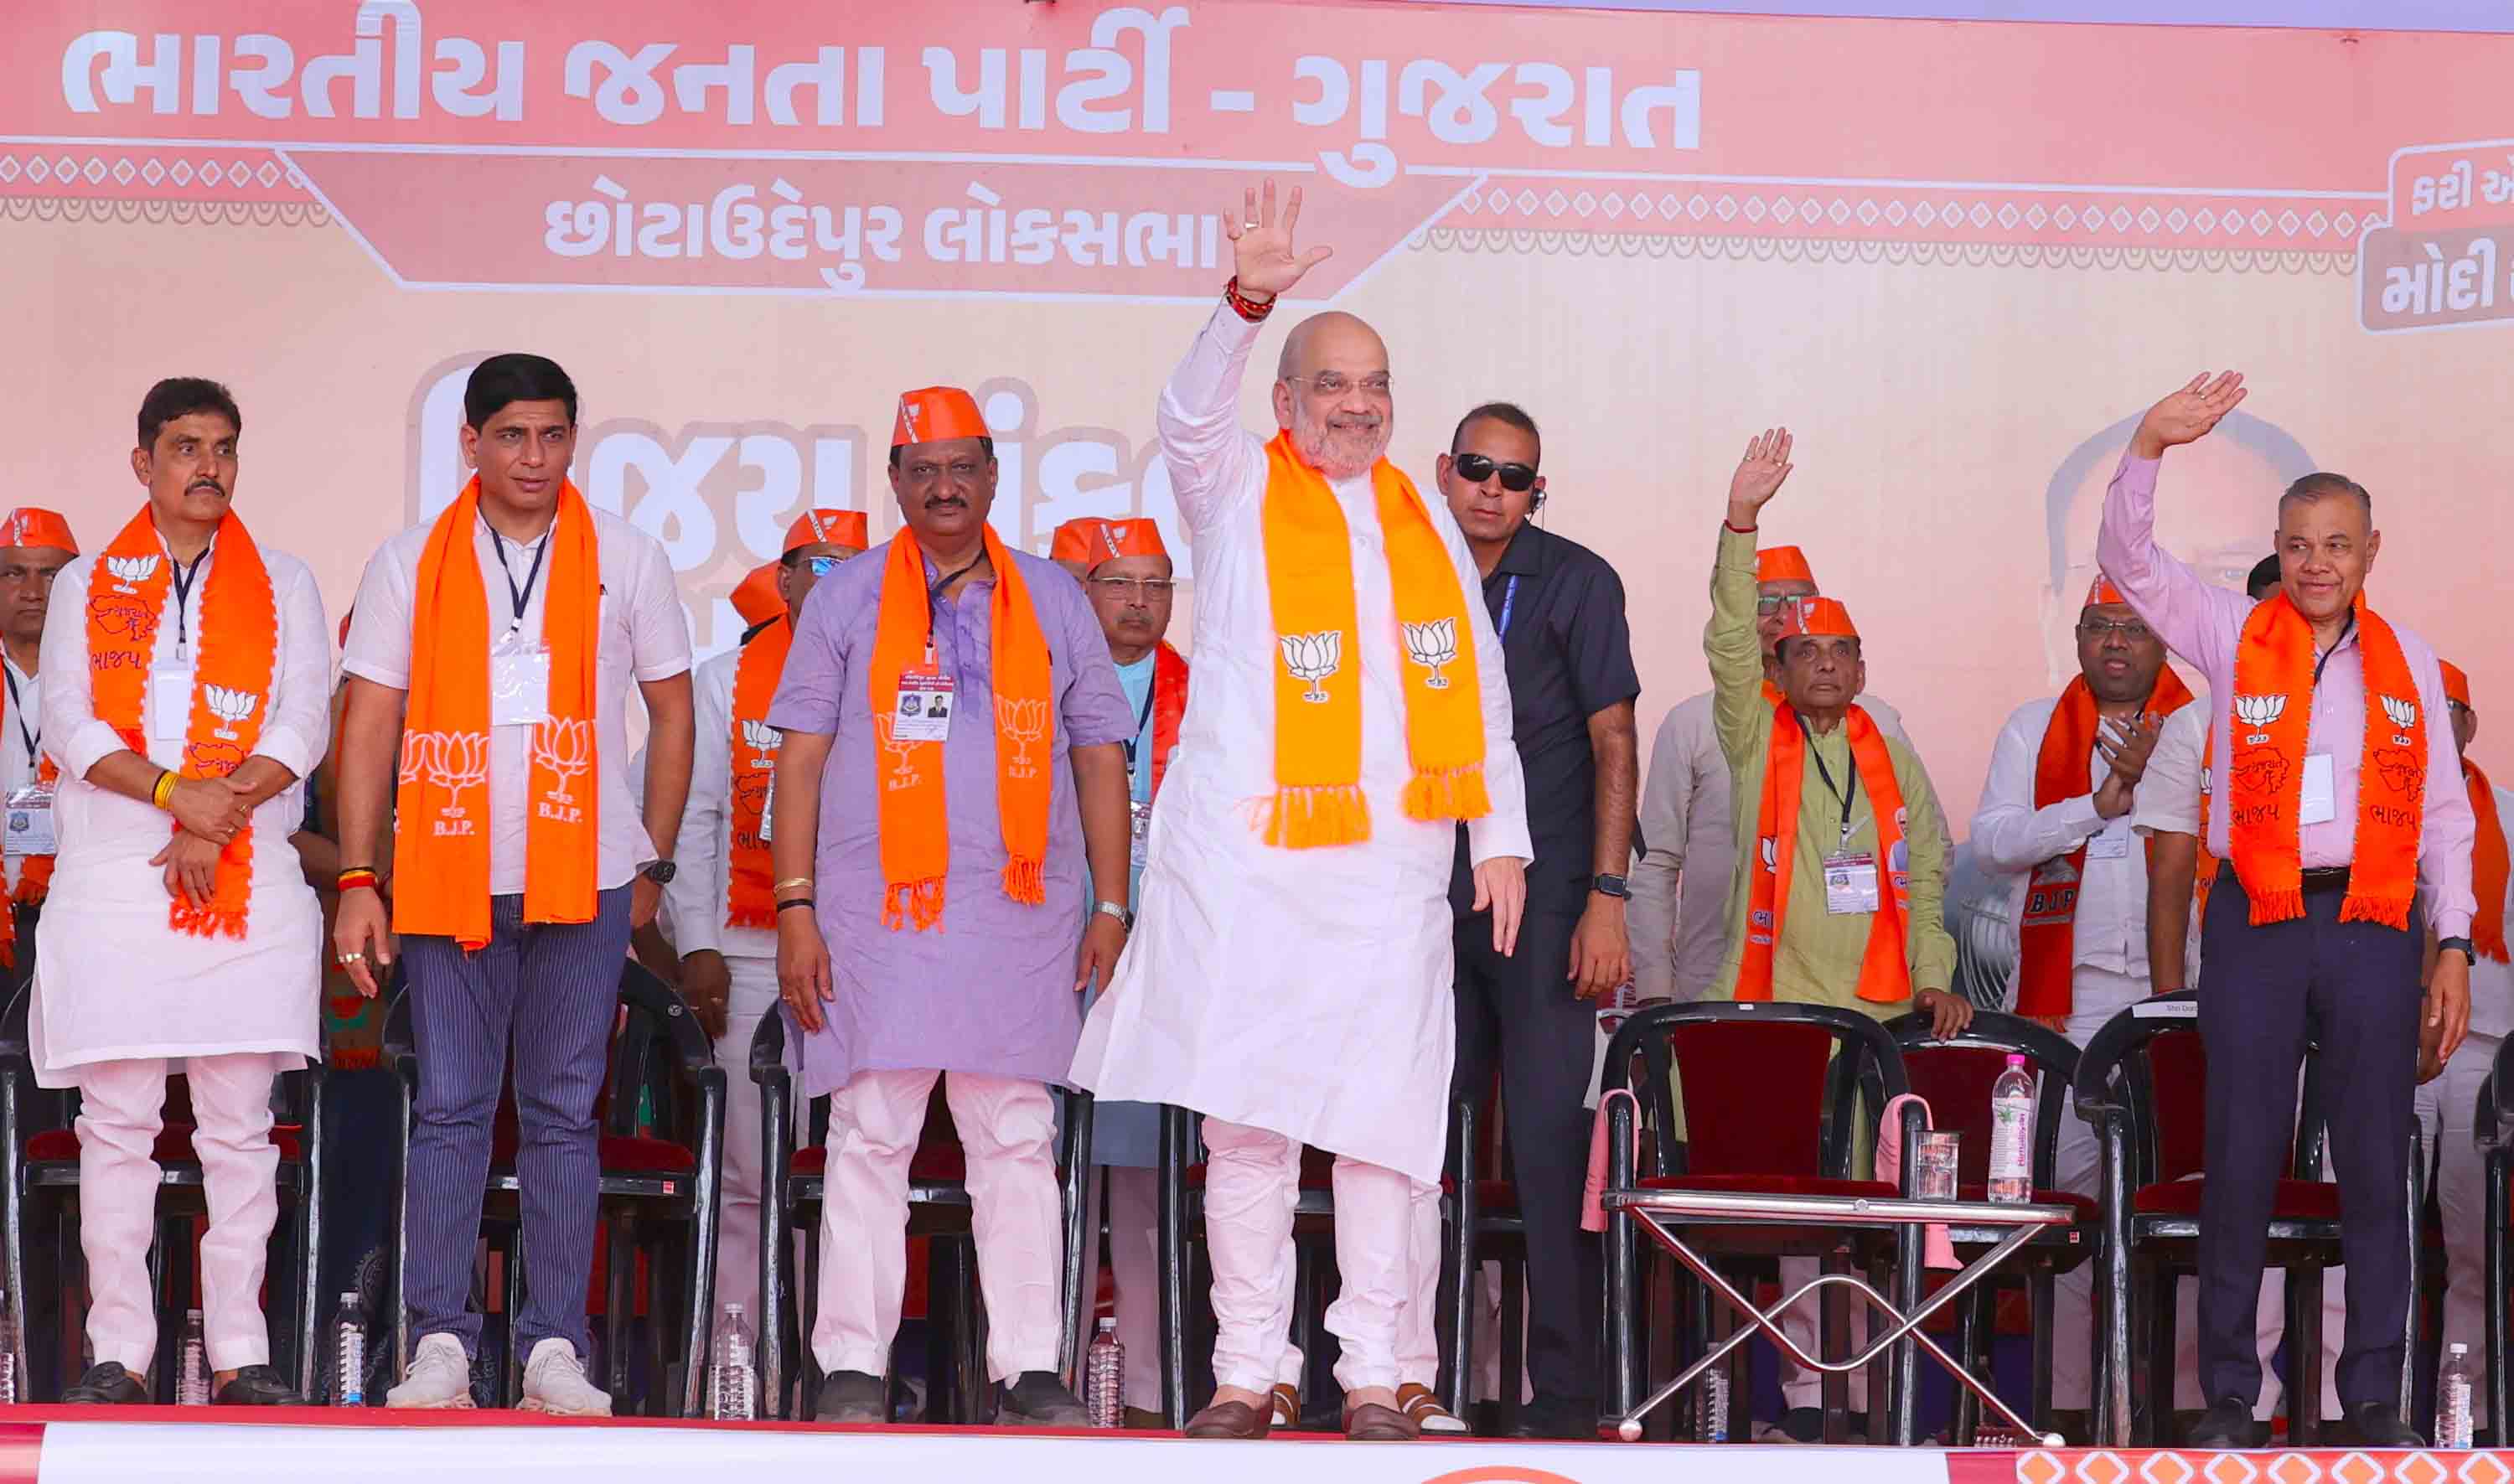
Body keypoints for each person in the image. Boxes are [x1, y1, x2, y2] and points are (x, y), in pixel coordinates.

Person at [1070, 182, 1530, 1443]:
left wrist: (1500, 835)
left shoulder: (1424, 514)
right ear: (1287, 402)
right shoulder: (1231, 492)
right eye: (1331, 383)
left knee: (1385, 1131)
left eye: (1374, 384)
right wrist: (1246, 303)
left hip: (1387, 878)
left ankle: (1375, 1371)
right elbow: (1184, 412)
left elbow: (1477, 686)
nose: (1357, 403)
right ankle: (1245, 1368)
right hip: (1254, 869)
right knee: (1252, 1123)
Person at [2097, 372, 2473, 1450]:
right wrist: (2148, 445)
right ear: (2277, 545)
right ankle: (2229, 1395)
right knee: (2243, 1151)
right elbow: (2129, 564)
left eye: (2338, 545)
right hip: (2257, 921)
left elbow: (2444, 818)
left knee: (2371, 1156)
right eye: (2299, 544)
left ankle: (2372, 1400)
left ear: (2371, 551)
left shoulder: (2407, 666)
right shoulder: (2229, 628)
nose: (2316, 563)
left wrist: (2448, 944)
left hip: (2372, 924)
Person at [334, 354, 696, 1415]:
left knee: (563, 1114)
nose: (533, 457)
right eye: (511, 436)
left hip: (585, 882)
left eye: (552, 435)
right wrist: (361, 874)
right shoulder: (412, 561)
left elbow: (674, 713)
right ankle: (440, 1339)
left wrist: (653, 859)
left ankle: (552, 1348)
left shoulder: (624, 557)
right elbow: (367, 724)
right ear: (471, 443)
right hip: (452, 877)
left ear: (574, 439)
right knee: (449, 1109)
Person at [767, 386, 1134, 1427]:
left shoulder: (1056, 598)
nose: (942, 486)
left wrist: (1111, 903)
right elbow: (800, 758)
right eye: (920, 468)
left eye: (961, 465)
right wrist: (794, 903)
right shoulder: (846, 600)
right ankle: (852, 1366)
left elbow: (1101, 754)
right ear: (893, 480)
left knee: (1015, 1130)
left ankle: (1030, 1367)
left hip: (1020, 912)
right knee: (870, 1124)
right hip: (873, 913)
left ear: (991, 476)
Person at [39, 379, 328, 1404]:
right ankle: (119, 1350)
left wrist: (222, 810)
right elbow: (69, 727)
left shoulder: (285, 580)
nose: (208, 465)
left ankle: (242, 1353)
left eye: (223, 448)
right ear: (143, 463)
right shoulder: (84, 585)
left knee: (238, 1130)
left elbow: (301, 728)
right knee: (113, 1127)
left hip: (246, 890)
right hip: (120, 886)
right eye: (185, 446)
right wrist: (178, 798)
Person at [1710, 429, 1968, 1444]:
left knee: (1880, 1222)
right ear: (1780, 667)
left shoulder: (1893, 753)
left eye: (1838, 651)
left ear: (1861, 664)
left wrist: (1940, 972)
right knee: (1791, 1228)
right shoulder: (1751, 737)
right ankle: (1808, 1407)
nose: (1821, 664)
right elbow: (1728, 637)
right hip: (1777, 1019)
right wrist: (1742, 525)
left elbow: (1934, 869)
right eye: (1802, 651)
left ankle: (1884, 1407)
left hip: (1882, 1021)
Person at [1385, 401, 1637, 1439]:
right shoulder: (1394, 571)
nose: (1493, 488)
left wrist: (1607, 902)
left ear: (1539, 491)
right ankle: (1390, 1378)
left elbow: (1614, 741)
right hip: (1407, 896)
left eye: (1517, 476)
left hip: (1543, 905)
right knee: (1400, 1147)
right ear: (1443, 470)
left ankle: (1564, 1398)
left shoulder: (1578, 578)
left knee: (1543, 1147)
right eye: (1478, 468)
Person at [1965, 575, 2193, 1435]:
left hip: (2188, 997)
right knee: (2069, 1207)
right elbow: (1991, 842)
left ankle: (2191, 1409)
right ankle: (2066, 1405)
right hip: (2074, 1003)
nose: (2116, 643)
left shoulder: (2201, 725)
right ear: (2077, 636)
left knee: (2194, 1201)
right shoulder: (2034, 727)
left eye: (2134, 627)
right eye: (2100, 626)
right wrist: (2094, 808)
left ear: (2164, 639)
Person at [661, 508, 865, 1328]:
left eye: (854, 566)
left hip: (861, 958)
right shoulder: (725, 681)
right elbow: (693, 817)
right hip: (745, 955)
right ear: (783, 579)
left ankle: (837, 1355)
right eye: (820, 564)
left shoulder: (897, 680)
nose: (836, 582)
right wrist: (700, 945)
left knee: (851, 1164)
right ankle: (740, 1349)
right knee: (748, 1168)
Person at [1048, 514, 1193, 1427]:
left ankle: (1143, 1390)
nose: (1140, 602)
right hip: (1057, 954)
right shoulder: (1048, 678)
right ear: (1083, 590)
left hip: (1164, 958)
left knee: (1144, 1184)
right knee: (1050, 1170)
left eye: (1156, 585)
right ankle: (1041, 1371)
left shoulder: (1209, 689)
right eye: (1120, 582)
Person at [1632, 545, 1911, 1006]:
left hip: (1851, 985)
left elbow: (1923, 852)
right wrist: (1654, 991)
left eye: (1798, 601)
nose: (1782, 615)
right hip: (1719, 976)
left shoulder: (1876, 723)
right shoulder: (1694, 722)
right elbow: (1657, 864)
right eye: (1764, 602)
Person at [2418, 660, 2507, 1436]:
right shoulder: (2365, 808)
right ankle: (2349, 1416)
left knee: (2474, 1247)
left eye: (2450, 707)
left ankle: (2461, 1419)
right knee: (2366, 1232)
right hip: (2388, 1050)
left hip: (2482, 1053)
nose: (2436, 719)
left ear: (2470, 724)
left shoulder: (2507, 813)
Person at [0, 507, 78, 970]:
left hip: (75, 907)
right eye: (14, 573)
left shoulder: (105, 678)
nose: (32, 592)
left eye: (50, 574)